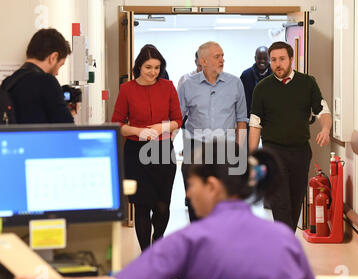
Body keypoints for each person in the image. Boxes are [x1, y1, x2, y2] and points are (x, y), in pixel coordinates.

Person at [14, 140, 323, 279]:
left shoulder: (191, 240)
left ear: (212, 186)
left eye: (191, 184)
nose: (188, 193)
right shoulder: (283, 238)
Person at [249, 41, 332, 233]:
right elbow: (255, 125)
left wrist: (325, 129)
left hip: (300, 152)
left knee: (295, 203)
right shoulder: (262, 88)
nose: (278, 64)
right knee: (280, 204)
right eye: (274, 60)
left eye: (282, 59)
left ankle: (286, 242)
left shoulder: (307, 83)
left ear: (292, 60)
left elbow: (323, 110)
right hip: (273, 152)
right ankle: (286, 250)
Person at [111, 44, 183, 252]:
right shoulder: (127, 89)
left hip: (162, 152)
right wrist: (137, 131)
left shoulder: (168, 87)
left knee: (162, 206)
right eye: (148, 67)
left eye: (157, 67)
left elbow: (178, 120)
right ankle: (146, 254)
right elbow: (117, 124)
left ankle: (158, 243)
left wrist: (163, 127)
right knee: (141, 206)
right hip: (136, 153)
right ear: (138, 67)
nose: (153, 72)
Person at [178, 41, 247, 222]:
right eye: (217, 56)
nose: (222, 60)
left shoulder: (235, 83)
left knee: (225, 197)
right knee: (195, 197)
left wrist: (241, 152)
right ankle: (198, 236)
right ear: (204, 61)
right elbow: (178, 118)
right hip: (196, 146)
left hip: (226, 147)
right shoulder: (187, 85)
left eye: (222, 56)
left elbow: (241, 120)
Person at [2, 28, 74, 123]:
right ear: (53, 57)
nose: (57, 73)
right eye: (60, 65)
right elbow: (67, 130)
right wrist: (71, 112)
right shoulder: (47, 82)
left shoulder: (8, 82)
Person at [240, 46, 272, 119]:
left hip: (271, 120)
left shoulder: (276, 76)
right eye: (259, 58)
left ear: (269, 58)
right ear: (255, 58)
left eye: (265, 58)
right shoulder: (245, 75)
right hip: (250, 119)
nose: (262, 61)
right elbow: (241, 99)